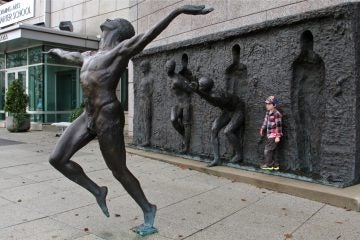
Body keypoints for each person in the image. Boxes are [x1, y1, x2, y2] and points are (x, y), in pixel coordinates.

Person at [45, 5, 213, 236]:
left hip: (108, 115)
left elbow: (150, 33)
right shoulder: (88, 56)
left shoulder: (120, 51)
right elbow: (68, 55)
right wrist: (56, 50)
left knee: (118, 170)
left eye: (112, 19)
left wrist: (179, 10)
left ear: (118, 29)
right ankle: (97, 191)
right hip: (88, 115)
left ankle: (148, 208)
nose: (107, 18)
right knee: (57, 159)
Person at [190, 77, 245, 167]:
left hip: (238, 109)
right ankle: (217, 159)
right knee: (214, 128)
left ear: (205, 88)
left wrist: (197, 91)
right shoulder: (208, 92)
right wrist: (196, 89)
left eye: (200, 85)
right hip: (228, 110)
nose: (198, 86)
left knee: (228, 131)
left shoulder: (216, 96)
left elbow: (211, 99)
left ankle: (239, 155)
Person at [166, 60, 192, 153]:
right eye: (166, 67)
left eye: (169, 68)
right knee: (173, 120)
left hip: (185, 102)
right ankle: (185, 136)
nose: (167, 69)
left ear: (173, 68)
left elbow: (189, 89)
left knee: (186, 124)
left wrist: (188, 85)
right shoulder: (168, 77)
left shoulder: (178, 79)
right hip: (177, 103)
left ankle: (186, 146)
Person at [260, 96, 283, 170]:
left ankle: (269, 165)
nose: (267, 105)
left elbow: (279, 126)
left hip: (274, 135)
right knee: (274, 150)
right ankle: (275, 165)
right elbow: (265, 121)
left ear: (274, 105)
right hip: (269, 134)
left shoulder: (277, 114)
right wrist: (262, 128)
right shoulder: (268, 112)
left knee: (268, 150)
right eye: (266, 104)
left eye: (269, 104)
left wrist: (277, 136)